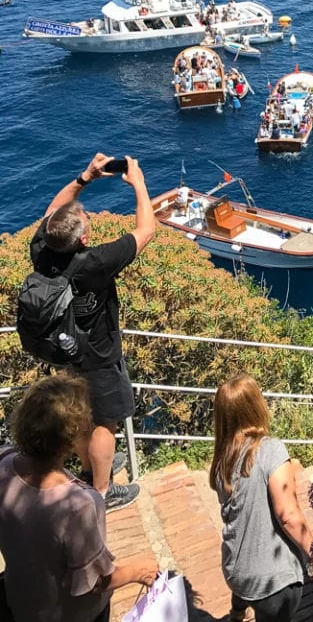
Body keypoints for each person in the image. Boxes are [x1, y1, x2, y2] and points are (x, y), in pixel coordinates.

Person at [29, 153, 157, 512]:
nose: (89, 219)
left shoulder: (44, 251)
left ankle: (89, 470)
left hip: (64, 350)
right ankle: (102, 492)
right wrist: (138, 183)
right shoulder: (95, 263)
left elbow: (52, 215)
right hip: (100, 355)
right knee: (105, 422)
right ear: (84, 238)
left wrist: (84, 178)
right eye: (86, 220)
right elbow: (146, 230)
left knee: (83, 415)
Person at [0, 374, 158, 622]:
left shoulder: (3, 461)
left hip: (20, 602)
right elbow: (97, 581)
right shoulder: (78, 504)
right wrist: (140, 570)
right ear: (71, 436)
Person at [210, 375, 313, 622]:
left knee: (247, 593)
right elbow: (288, 516)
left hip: (236, 571)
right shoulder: (270, 450)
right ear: (256, 406)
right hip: (272, 585)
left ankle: (238, 612)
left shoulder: (223, 457)